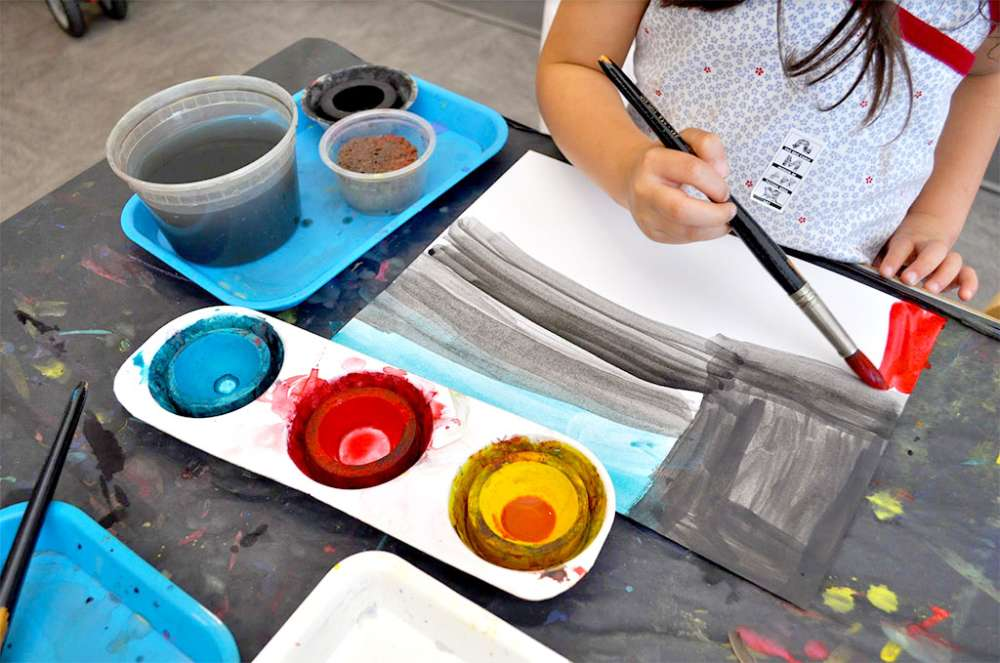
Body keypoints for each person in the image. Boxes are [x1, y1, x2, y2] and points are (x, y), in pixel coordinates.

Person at [537, 0, 998, 301]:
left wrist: (933, 218)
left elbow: (986, 75)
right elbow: (575, 64)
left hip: (839, 287)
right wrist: (625, 167)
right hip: (624, 238)